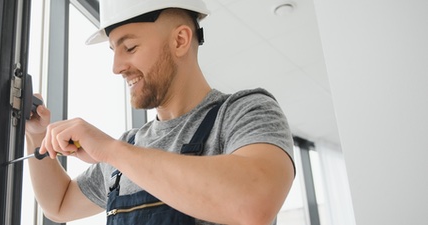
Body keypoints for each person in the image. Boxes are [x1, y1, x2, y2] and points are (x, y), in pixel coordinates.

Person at [25, 0, 296, 224]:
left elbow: (254, 203)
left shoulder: (244, 112)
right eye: (113, 51)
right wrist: (37, 136)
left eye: (130, 47)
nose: (116, 67)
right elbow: (58, 204)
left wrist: (110, 150)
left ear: (180, 40)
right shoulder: (129, 148)